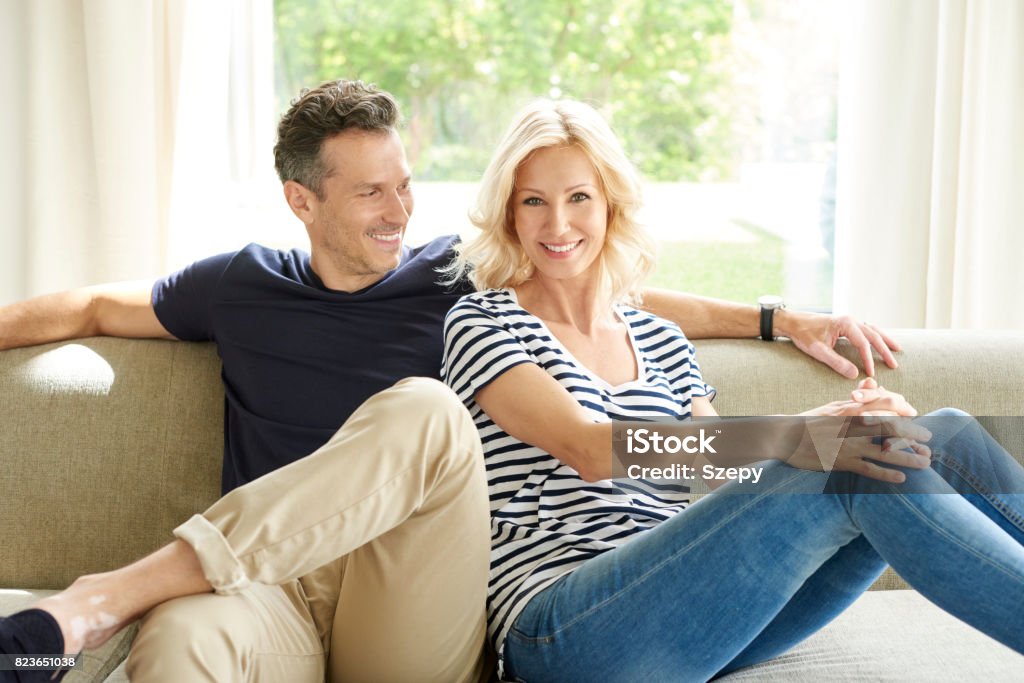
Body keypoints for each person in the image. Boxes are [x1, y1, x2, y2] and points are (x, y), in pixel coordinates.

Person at [0, 80, 901, 683]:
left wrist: (781, 321)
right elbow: (83, 309)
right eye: (369, 195)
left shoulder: (456, 278)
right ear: (301, 201)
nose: (400, 212)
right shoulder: (238, 285)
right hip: (268, 583)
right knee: (176, 643)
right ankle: (105, 617)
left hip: (411, 581)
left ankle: (102, 596)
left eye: (403, 185)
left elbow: (603, 286)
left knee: (424, 410)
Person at [440, 98, 1024, 682]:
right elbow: (592, 449)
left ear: (611, 205)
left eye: (578, 198)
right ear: (509, 214)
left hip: (695, 610)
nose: (558, 225)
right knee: (854, 464)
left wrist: (837, 418)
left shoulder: (660, 337)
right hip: (563, 627)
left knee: (939, 431)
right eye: (534, 201)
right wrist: (803, 437)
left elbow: (719, 462)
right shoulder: (482, 323)